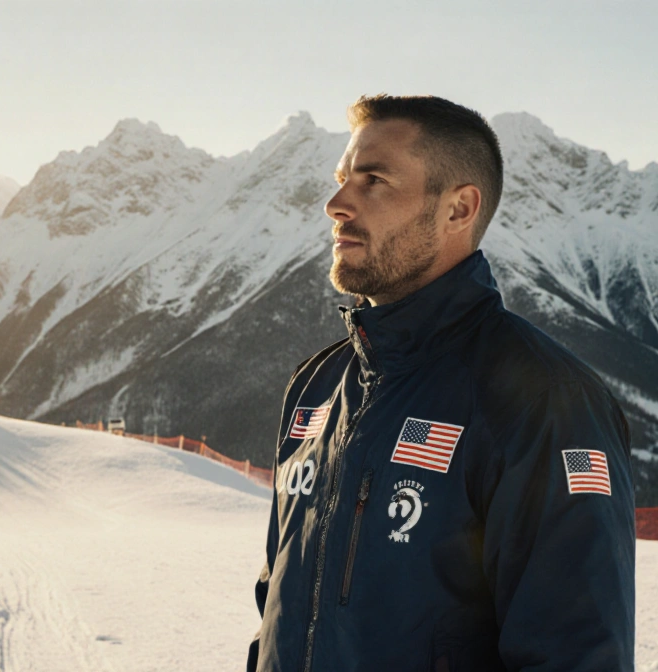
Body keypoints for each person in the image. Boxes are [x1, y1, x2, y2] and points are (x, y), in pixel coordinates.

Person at [246, 94, 635, 672]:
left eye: (373, 180)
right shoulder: (318, 386)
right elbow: (276, 608)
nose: (335, 204)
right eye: (341, 178)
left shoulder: (543, 399)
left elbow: (575, 653)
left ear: (458, 210)